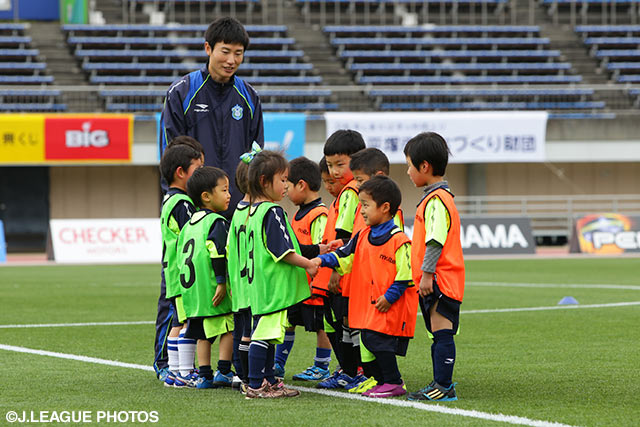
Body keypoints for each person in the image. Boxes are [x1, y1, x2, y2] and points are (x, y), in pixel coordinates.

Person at [312, 176, 417, 398]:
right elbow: (344, 255)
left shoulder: (399, 240)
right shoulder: (363, 236)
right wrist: (321, 260)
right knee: (369, 342)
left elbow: (406, 275)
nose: (361, 211)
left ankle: (394, 381)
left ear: (385, 207)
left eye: (366, 205)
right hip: (368, 307)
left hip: (388, 306)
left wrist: (389, 297)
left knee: (379, 342)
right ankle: (379, 381)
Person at [159, 16, 264, 219]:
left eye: (238, 53)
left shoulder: (250, 97)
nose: (231, 60)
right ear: (208, 48)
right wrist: (177, 203)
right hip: (194, 208)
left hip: (237, 208)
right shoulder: (181, 92)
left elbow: (256, 152)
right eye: (225, 52)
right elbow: (170, 155)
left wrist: (250, 202)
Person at [244, 150, 317, 399]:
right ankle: (256, 385)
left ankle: (270, 381)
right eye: (283, 179)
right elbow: (283, 251)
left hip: (259, 285)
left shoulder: (252, 211)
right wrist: (308, 264)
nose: (286, 185)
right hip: (272, 286)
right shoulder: (272, 211)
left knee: (268, 333)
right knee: (264, 335)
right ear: (265, 181)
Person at [403, 132, 465, 402]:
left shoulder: (437, 200)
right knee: (438, 334)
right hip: (439, 279)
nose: (407, 171)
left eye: (409, 165)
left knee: (442, 334)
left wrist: (427, 275)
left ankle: (444, 385)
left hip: (440, 279)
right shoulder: (436, 197)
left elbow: (435, 241)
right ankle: (440, 382)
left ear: (424, 166)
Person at [316, 130, 367, 390]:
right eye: (329, 165)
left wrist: (336, 269)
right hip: (345, 266)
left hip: (343, 268)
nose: (334, 171)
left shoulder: (351, 192)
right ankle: (350, 368)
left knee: (344, 320)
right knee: (341, 321)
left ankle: (353, 369)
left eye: (340, 164)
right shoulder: (347, 192)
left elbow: (344, 236)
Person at [274, 157, 333, 382]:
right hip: (297, 283)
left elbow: (321, 248)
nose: (285, 190)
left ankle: (321, 366)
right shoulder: (297, 212)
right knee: (289, 322)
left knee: (320, 325)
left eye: (287, 185)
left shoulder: (319, 213)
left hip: (314, 284)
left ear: (301, 185)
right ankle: (278, 364)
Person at [177, 166, 234, 389]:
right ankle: (224, 371)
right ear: (206, 196)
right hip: (212, 287)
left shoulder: (188, 225)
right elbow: (217, 252)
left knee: (202, 334)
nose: (229, 195)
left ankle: (203, 376)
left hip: (193, 291)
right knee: (228, 327)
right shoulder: (217, 222)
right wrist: (221, 282)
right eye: (224, 190)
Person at [157, 143, 203, 387]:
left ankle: (176, 371)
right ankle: (183, 372)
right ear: (181, 172)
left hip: (175, 274)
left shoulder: (170, 200)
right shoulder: (183, 203)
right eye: (198, 168)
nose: (202, 173)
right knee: (185, 323)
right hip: (185, 275)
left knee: (179, 321)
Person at [226, 155, 253, 390]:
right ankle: (250, 375)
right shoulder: (257, 212)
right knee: (249, 330)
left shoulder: (237, 209)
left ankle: (240, 374)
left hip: (238, 279)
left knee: (240, 327)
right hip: (252, 280)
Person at [349, 147, 404, 231]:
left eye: (360, 180)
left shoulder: (391, 211)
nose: (357, 185)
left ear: (379, 175)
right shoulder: (362, 206)